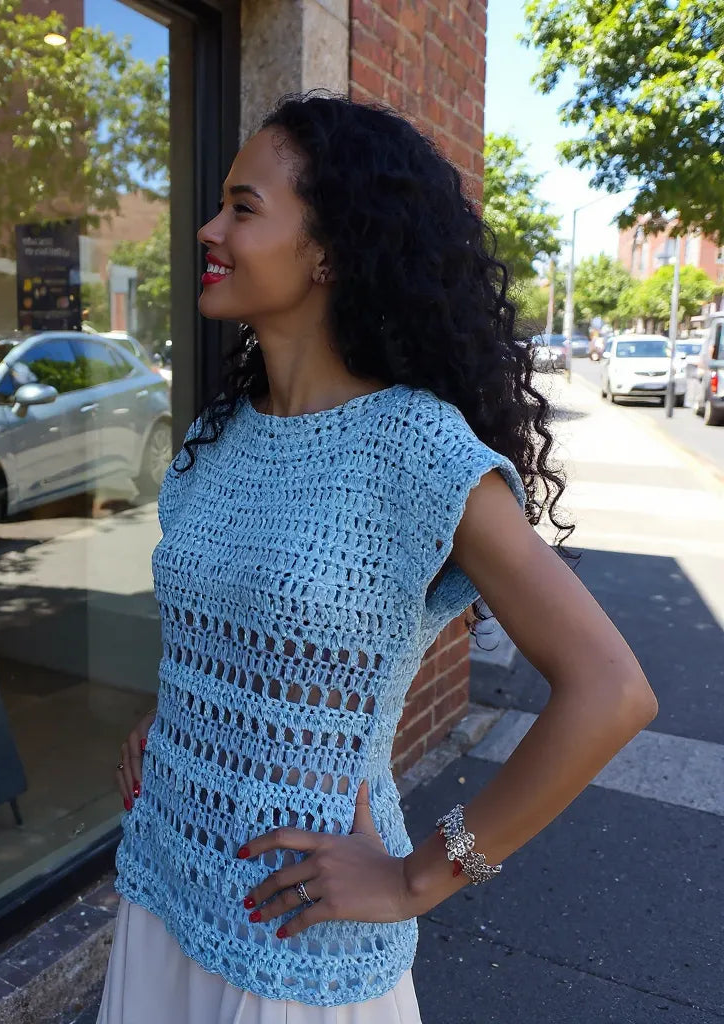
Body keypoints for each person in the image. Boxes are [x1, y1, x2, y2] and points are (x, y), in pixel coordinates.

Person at [98, 92, 657, 1023]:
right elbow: (243, 623)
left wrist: (417, 881)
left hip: (295, 944)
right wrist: (189, 717)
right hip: (165, 885)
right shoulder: (221, 435)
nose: (208, 227)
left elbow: (612, 691)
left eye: (242, 207)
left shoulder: (417, 450)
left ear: (330, 250)